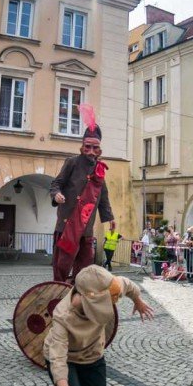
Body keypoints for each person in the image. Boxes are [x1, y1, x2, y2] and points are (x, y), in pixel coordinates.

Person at [44, 266, 154, 386]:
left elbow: (129, 285)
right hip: (67, 358)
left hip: (92, 355)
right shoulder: (63, 314)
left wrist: (138, 301)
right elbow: (58, 359)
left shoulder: (111, 287)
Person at [50, 107, 115, 283]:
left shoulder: (99, 170)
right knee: (62, 267)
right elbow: (56, 183)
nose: (91, 151)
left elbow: (103, 196)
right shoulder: (72, 162)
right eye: (88, 147)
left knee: (85, 269)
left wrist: (109, 217)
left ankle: (80, 297)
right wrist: (56, 195)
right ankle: (59, 292)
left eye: (95, 148)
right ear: (82, 147)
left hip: (86, 230)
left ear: (99, 149)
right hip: (67, 227)